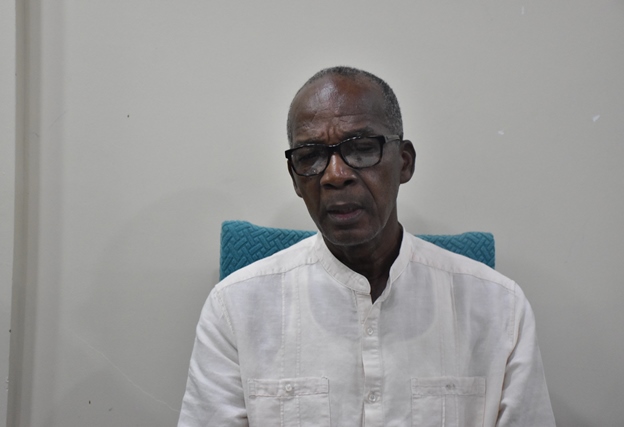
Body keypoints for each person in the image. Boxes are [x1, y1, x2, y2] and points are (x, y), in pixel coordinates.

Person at [178, 66, 555, 426]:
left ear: (404, 163)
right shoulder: (236, 308)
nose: (335, 175)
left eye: (360, 149)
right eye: (311, 156)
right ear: (295, 179)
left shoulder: (498, 308)